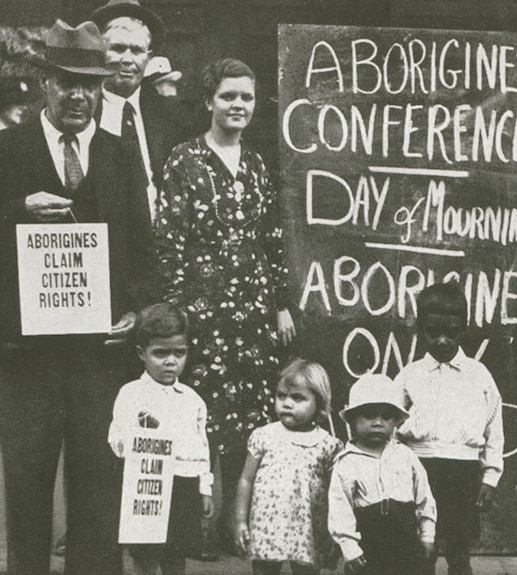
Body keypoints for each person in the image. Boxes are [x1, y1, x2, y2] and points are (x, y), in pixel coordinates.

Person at [0, 19, 159, 575]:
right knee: (26, 488)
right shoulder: (8, 150)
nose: (78, 95)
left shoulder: (119, 154)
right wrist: (17, 209)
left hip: (100, 355)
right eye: (66, 81)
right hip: (26, 357)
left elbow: (144, 251)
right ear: (44, 83)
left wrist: (138, 313)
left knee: (98, 488)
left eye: (89, 84)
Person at [155, 57, 297, 552]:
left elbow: (272, 238)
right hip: (202, 307)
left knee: (246, 416)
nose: (238, 105)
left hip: (254, 307)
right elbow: (169, 239)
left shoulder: (257, 165)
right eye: (228, 96)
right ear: (208, 101)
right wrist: (176, 312)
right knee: (200, 416)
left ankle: (233, 526)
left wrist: (280, 303)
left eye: (246, 98)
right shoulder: (184, 159)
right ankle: (190, 530)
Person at [395, 282, 504, 575]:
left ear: (463, 328)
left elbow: (495, 427)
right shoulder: (410, 375)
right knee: (421, 546)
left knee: (459, 548)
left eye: (451, 332)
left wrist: (490, 477)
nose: (442, 340)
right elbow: (391, 422)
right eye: (433, 332)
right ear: (420, 328)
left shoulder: (478, 375)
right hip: (419, 469)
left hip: (463, 474)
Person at [108, 303, 214, 575]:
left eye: (179, 353)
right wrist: (139, 438)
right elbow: (116, 439)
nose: (171, 361)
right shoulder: (131, 394)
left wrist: (204, 488)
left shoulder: (193, 401)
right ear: (141, 354)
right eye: (160, 353)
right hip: (146, 485)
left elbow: (201, 449)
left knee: (176, 553)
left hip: (183, 485)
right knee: (145, 554)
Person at [233, 359, 341, 575]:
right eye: (281, 396)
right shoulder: (264, 436)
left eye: (298, 398)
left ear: (319, 404)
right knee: (264, 569)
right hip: (268, 526)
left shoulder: (327, 444)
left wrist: (335, 533)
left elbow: (336, 492)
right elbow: (246, 479)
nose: (287, 403)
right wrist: (239, 521)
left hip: (308, 529)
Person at [90, 0, 191, 220]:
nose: (127, 60)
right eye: (117, 49)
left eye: (136, 51)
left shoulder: (170, 117)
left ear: (149, 57)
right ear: (99, 52)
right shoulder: (84, 112)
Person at [329, 373, 436, 575]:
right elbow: (339, 509)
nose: (378, 422)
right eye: (369, 415)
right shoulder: (347, 462)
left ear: (395, 421)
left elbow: (425, 498)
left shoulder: (405, 456)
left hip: (406, 543)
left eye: (386, 416)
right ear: (352, 420)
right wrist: (350, 549)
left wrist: (427, 536)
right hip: (369, 545)